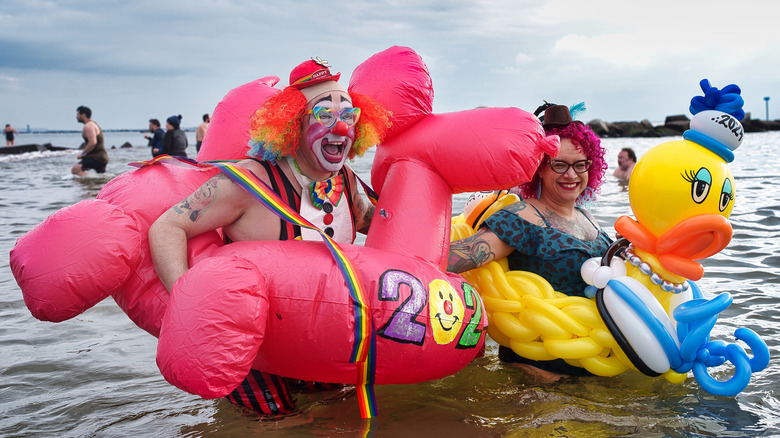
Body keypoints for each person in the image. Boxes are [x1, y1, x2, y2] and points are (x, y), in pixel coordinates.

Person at [149, 57, 390, 417]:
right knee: (274, 422)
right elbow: (167, 227)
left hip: (319, 337)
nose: (340, 126)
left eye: (349, 114)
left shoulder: (348, 182)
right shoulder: (247, 184)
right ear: (293, 124)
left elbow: (380, 225)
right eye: (324, 114)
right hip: (253, 346)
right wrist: (189, 302)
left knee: (333, 416)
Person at [447, 103, 611, 378]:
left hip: (594, 362)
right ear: (540, 169)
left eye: (580, 164)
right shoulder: (522, 216)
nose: (571, 175)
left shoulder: (589, 217)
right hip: (539, 374)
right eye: (559, 164)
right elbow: (459, 256)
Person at [71, 106, 109, 175]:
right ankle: (94, 185)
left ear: (83, 115)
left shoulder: (89, 126)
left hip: (97, 157)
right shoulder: (92, 124)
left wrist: (82, 154)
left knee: (75, 169)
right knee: (100, 177)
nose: (76, 117)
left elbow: (93, 142)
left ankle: (87, 184)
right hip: (100, 157)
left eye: (78, 115)